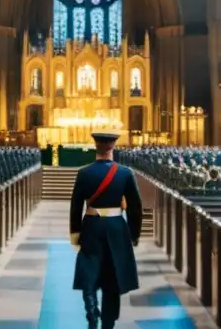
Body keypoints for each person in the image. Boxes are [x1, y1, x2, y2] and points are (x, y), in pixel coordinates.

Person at [69, 131, 142, 329]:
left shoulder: (84, 173)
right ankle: (108, 323)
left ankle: (92, 311)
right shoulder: (125, 173)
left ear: (96, 147)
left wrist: (75, 232)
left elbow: (76, 206)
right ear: (113, 147)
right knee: (113, 274)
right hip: (116, 227)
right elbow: (135, 206)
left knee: (89, 271)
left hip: (92, 225)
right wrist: (134, 234)